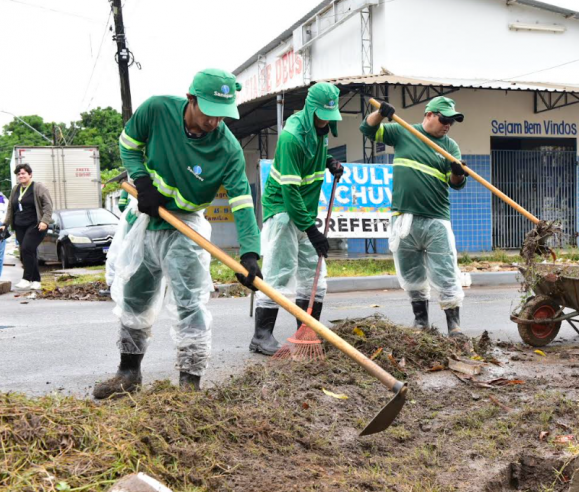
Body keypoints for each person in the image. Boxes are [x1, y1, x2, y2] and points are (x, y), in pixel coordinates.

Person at [93, 68, 263, 399]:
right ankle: (128, 372)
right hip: (148, 217)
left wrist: (250, 253)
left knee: (191, 303)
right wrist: (142, 182)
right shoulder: (156, 110)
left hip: (186, 228)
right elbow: (128, 145)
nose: (215, 122)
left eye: (222, 116)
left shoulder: (227, 148)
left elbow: (242, 202)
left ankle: (189, 385)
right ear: (191, 100)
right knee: (134, 297)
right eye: (210, 113)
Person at [359, 96, 468, 337]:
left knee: (446, 272)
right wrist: (380, 113)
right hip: (403, 219)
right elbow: (368, 129)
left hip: (436, 219)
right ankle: (421, 323)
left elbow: (457, 185)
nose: (448, 124)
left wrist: (458, 173)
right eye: (444, 119)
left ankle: (455, 327)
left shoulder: (450, 147)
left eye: (452, 121)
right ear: (429, 114)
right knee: (411, 275)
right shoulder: (403, 132)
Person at [249, 82, 344, 355]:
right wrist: (313, 232)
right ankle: (261, 336)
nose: (326, 122)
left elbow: (313, 153)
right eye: (322, 115)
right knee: (279, 274)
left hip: (304, 212)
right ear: (311, 109)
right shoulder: (292, 137)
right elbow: (290, 192)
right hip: (282, 210)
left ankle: (307, 331)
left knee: (314, 276)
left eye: (330, 116)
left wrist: (328, 161)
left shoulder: (320, 130)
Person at [0, 164, 54, 290]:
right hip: (19, 226)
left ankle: (26, 278)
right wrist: (5, 224)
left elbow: (48, 206)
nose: (21, 176)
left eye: (23, 173)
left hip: (36, 225)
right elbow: (10, 209)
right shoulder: (15, 189)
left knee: (26, 249)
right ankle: (36, 280)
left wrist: (45, 221)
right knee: (29, 252)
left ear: (30, 174)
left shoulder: (38, 187)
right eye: (18, 174)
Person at [0, 192, 7, 279]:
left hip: (1, 227)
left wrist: (4, 224)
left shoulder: (4, 200)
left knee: (0, 255)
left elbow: (8, 215)